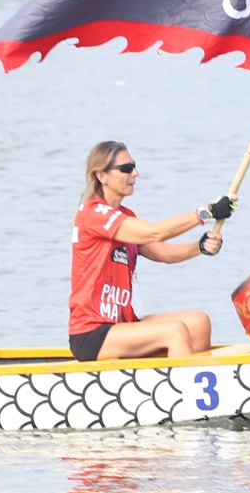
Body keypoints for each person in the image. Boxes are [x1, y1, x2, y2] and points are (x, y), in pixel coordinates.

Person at [68, 140, 229, 362]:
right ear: (102, 176)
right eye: (126, 168)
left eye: (133, 166)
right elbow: (155, 233)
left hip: (123, 324)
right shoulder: (93, 214)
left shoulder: (126, 216)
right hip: (92, 332)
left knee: (199, 323)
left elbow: (164, 252)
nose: (135, 173)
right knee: (175, 331)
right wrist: (206, 212)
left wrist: (200, 247)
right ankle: (185, 391)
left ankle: (183, 378)